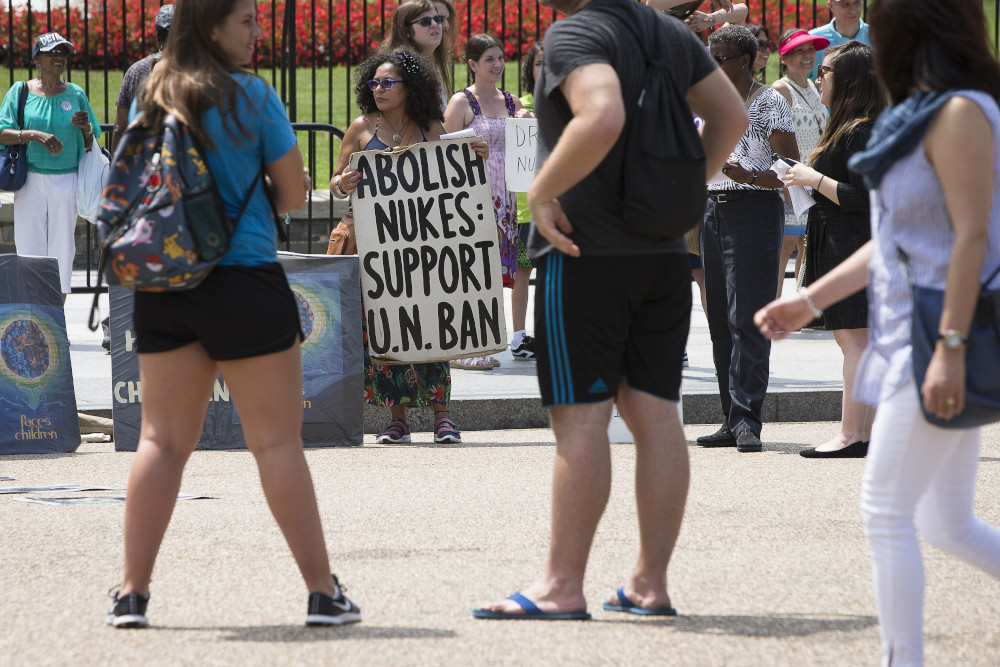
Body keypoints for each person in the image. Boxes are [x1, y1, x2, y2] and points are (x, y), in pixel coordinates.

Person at [473, 0, 747, 619]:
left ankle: (560, 586)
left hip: (586, 249)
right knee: (656, 417)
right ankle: (650, 584)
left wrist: (541, 190)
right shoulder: (669, 33)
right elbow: (730, 113)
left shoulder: (576, 34)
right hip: (663, 252)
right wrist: (678, 190)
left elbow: (602, 113)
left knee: (581, 422)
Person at [756, 0, 1000, 662]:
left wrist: (948, 348)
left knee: (886, 508)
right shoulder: (925, 112)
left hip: (934, 332)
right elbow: (895, 233)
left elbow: (971, 236)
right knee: (945, 521)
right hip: (912, 329)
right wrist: (808, 299)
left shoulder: (959, 112)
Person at [105, 0, 360, 628]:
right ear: (213, 27)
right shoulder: (252, 95)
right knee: (275, 441)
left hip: (165, 282)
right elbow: (297, 193)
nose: (257, 29)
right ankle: (322, 593)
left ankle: (132, 594)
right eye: (246, 20)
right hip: (243, 277)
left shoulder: (155, 93)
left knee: (162, 441)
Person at [331, 48, 486, 444]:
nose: (378, 89)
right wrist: (342, 184)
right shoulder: (361, 127)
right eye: (374, 82)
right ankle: (396, 419)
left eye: (387, 82)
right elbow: (335, 182)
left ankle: (443, 417)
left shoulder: (432, 127)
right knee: (382, 330)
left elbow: (455, 177)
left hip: (424, 248)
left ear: (409, 87)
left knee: (430, 326)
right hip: (374, 250)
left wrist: (475, 156)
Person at [695, 24, 798, 453]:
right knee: (720, 319)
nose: (710, 63)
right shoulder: (706, 100)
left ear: (743, 60)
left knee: (747, 319)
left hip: (753, 211)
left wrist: (753, 176)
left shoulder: (770, 102)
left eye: (717, 57)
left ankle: (748, 420)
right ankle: (728, 417)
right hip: (711, 209)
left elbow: (792, 166)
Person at [780, 41, 884, 458]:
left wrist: (811, 178)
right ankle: (864, 434)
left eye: (826, 70)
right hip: (842, 240)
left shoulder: (860, 128)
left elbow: (866, 195)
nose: (819, 76)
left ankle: (850, 435)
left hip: (851, 242)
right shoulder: (849, 123)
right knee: (859, 342)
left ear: (849, 80)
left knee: (855, 342)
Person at [444, 34, 524, 370]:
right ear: (473, 64)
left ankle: (484, 342)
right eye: (490, 59)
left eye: (500, 57)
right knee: (471, 272)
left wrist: (526, 124)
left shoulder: (513, 102)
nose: (498, 65)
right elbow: (442, 150)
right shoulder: (462, 102)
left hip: (506, 200)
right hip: (471, 197)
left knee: (494, 274)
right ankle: (465, 345)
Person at [0, 33, 101, 298]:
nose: (60, 57)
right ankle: (33, 322)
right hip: (30, 181)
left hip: (66, 181)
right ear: (37, 58)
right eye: (52, 52)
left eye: (63, 52)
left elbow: (92, 140)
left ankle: (54, 326)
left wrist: (85, 129)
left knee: (62, 252)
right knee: (29, 252)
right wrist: (33, 134)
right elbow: (2, 131)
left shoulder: (76, 93)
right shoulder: (20, 91)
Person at [772, 28, 830, 297]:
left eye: (810, 49)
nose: (807, 55)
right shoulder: (780, 90)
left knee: (806, 243)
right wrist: (785, 180)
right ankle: (772, 303)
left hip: (812, 176)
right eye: (799, 50)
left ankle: (800, 306)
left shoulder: (813, 87)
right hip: (792, 177)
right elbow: (773, 138)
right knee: (784, 245)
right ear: (784, 57)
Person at [508, 42, 544, 361]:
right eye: (538, 64)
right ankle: (519, 336)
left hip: (563, 207)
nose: (544, 70)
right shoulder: (522, 107)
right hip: (527, 210)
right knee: (523, 269)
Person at [111, 4, 174, 153]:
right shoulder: (196, 73)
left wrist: (115, 167)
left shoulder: (136, 71)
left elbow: (120, 128)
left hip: (143, 160)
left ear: (158, 38)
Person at [383, 0, 453, 111]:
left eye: (437, 19)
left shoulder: (428, 66)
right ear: (406, 31)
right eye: (425, 21)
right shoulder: (399, 70)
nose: (435, 24)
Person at [808, 0, 869, 81]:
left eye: (857, 2)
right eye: (845, 4)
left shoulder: (877, 37)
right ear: (831, 6)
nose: (852, 10)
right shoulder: (812, 40)